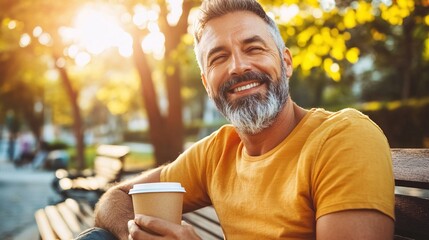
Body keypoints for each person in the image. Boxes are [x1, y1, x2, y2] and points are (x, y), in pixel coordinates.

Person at [78, 0, 395, 239]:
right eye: (219, 57)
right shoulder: (217, 152)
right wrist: (130, 234)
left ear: (285, 62)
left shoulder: (343, 137)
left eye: (253, 48)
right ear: (206, 83)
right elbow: (116, 197)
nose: (237, 67)